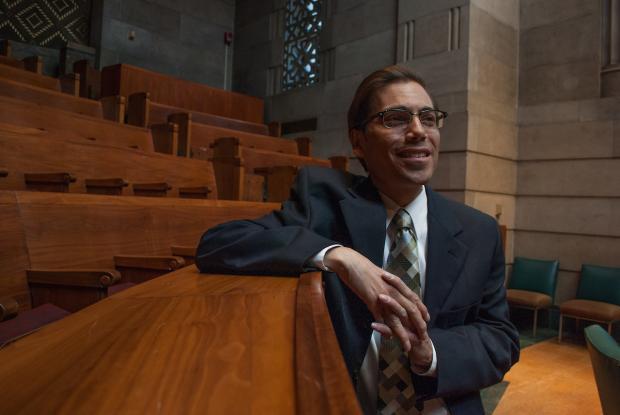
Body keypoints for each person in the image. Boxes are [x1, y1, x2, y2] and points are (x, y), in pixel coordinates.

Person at [196, 65, 519, 415]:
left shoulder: (479, 231)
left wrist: (432, 354)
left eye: (428, 118)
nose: (417, 131)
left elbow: (500, 339)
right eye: (395, 119)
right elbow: (220, 243)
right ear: (358, 142)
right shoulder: (322, 201)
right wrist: (339, 257)